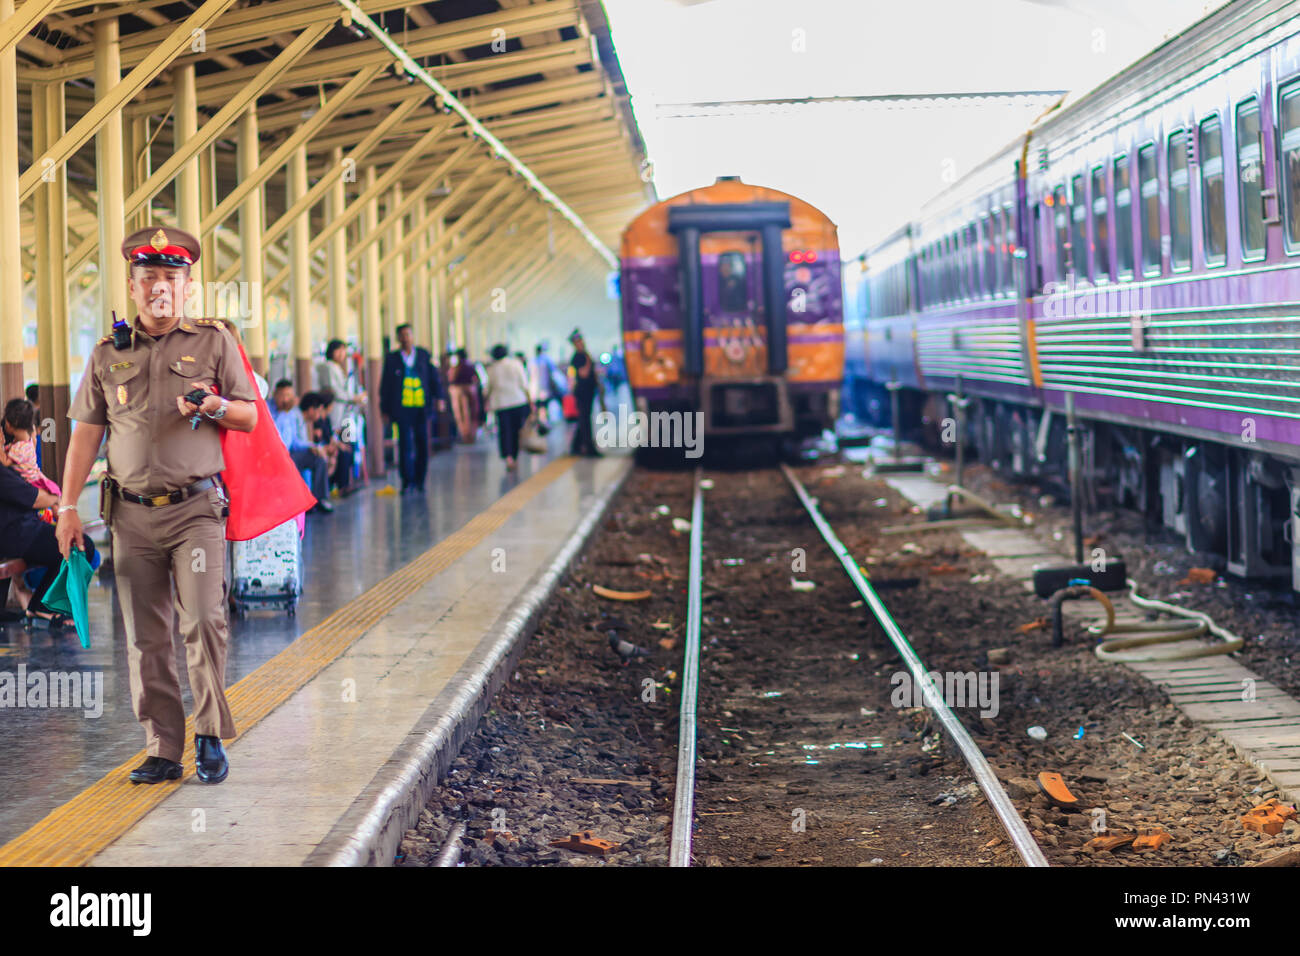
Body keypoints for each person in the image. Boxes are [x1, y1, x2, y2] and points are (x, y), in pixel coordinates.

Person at [56, 225, 259, 786]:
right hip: (129, 515)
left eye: (171, 278)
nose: (160, 288)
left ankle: (210, 733)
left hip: (195, 510)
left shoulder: (214, 342)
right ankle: (164, 746)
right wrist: (67, 506)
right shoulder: (106, 352)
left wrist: (215, 404)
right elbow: (84, 435)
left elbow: (248, 416)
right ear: (133, 286)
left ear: (188, 286)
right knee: (146, 634)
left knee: (203, 620)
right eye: (149, 279)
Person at [0, 457, 97, 625]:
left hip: (19, 531)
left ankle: (38, 605)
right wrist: (56, 501)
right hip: (17, 534)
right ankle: (44, 606)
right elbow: (35, 498)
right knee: (80, 545)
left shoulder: (8, 467)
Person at [379, 324, 443, 493]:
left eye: (408, 334)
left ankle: (420, 480)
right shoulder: (392, 358)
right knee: (405, 444)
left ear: (413, 336)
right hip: (402, 409)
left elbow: (433, 378)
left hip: (421, 407)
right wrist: (384, 409)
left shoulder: (423, 355)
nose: (406, 338)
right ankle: (407, 481)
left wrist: (439, 397)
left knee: (422, 443)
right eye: (402, 335)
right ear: (398, 338)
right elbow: (385, 385)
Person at [270, 380, 332, 513]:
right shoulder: (268, 410)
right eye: (285, 395)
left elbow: (295, 442)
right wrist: (282, 412)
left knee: (318, 459)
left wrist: (312, 446)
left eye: (290, 396)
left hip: (289, 454)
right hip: (272, 456)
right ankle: (300, 502)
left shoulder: (290, 414)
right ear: (276, 394)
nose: (288, 399)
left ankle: (318, 499)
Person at [0, 398, 60, 500]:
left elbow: (5, 462)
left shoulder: (18, 448)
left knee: (52, 503)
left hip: (31, 483)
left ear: (10, 424)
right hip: (37, 477)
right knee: (54, 502)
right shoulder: (29, 441)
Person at [484, 344, 532, 470]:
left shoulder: (492, 369)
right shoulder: (516, 364)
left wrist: (486, 401)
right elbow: (524, 384)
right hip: (518, 401)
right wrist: (530, 400)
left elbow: (488, 388)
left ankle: (508, 457)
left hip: (501, 404)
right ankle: (515, 456)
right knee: (516, 430)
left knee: (504, 431)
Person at [568, 329, 604, 457]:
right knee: (585, 420)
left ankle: (576, 446)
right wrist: (589, 363)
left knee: (583, 419)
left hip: (588, 391)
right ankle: (588, 448)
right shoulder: (577, 357)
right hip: (582, 392)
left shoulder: (584, 354)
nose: (581, 343)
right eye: (578, 341)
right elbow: (583, 373)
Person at [448, 347, 478, 445]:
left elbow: (451, 378)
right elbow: (476, 378)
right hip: (470, 389)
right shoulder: (471, 366)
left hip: (459, 390)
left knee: (461, 414)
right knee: (470, 413)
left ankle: (465, 435)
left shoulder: (457, 367)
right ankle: (471, 435)